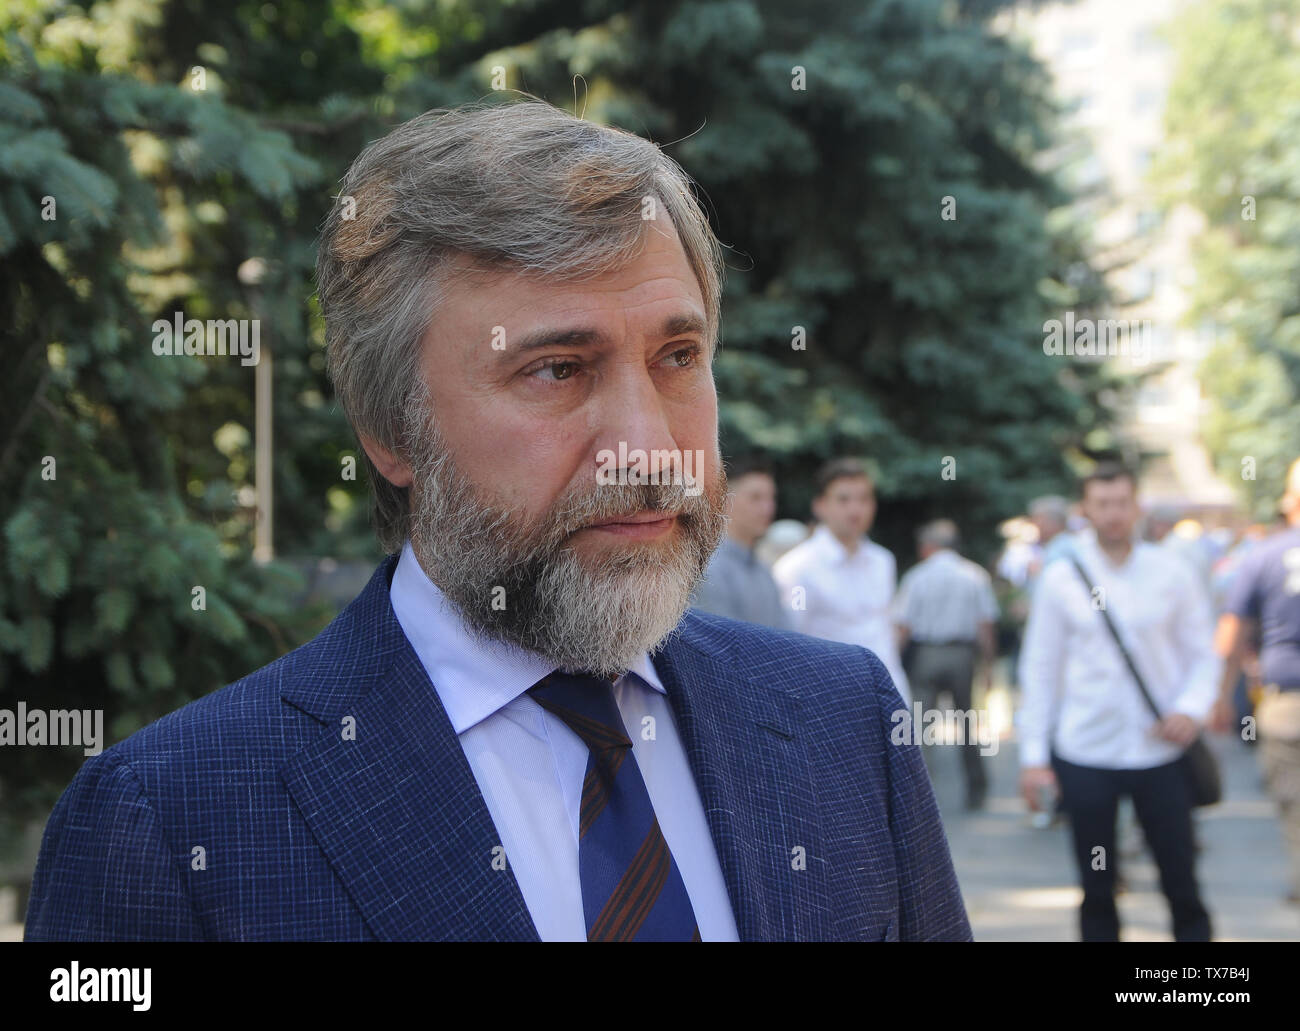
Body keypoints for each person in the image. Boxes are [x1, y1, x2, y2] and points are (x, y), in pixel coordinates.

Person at [23, 99, 970, 942]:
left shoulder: (842, 722)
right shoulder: (173, 819)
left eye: (678, 356)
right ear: (392, 426)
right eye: (558, 368)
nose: (648, 448)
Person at [1017, 462, 1219, 941]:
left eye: (1121, 503)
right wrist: (1033, 758)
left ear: (1137, 507)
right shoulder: (1062, 578)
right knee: (1097, 887)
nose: (1113, 514)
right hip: (1086, 750)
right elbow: (1040, 668)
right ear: (1085, 510)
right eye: (1101, 504)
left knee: (1182, 882)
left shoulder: (1171, 572)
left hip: (1161, 751)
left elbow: (1203, 654)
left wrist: (1190, 709)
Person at [1210, 457, 1300, 904]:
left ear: (1290, 501)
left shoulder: (1263, 555)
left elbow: (1233, 630)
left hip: (1285, 699)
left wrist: (1222, 695)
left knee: (1292, 795)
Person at [772, 458, 911, 706]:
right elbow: (790, 641)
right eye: (844, 499)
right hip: (832, 701)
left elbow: (888, 627)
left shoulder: (882, 561)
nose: (855, 509)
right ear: (820, 506)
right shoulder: (798, 568)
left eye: (864, 499)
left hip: (890, 695)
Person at [894, 520, 999, 809]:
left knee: (922, 726)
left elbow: (903, 625)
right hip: (962, 656)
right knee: (967, 724)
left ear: (928, 547)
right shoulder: (974, 575)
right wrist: (988, 665)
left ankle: (921, 797)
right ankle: (976, 789)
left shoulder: (917, 576)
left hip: (927, 654)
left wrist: (892, 661)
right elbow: (985, 624)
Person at [691, 456, 790, 629]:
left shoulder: (763, 570)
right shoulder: (709, 570)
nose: (768, 508)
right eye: (755, 498)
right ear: (725, 499)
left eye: (771, 498)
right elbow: (722, 643)